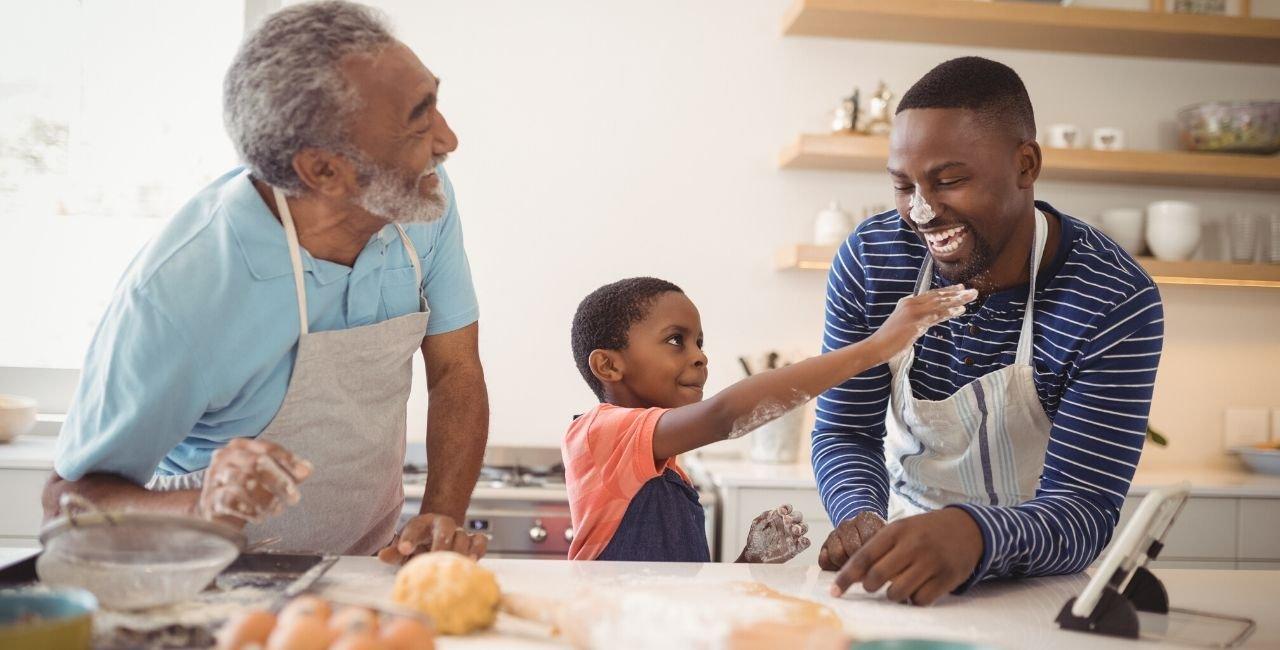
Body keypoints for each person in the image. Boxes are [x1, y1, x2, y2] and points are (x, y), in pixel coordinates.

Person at [44, 1, 489, 561]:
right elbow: (66, 500)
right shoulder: (179, 294)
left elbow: (455, 372)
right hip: (206, 585)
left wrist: (439, 517)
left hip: (355, 573)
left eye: (434, 102)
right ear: (324, 170)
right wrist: (203, 504)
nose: (448, 140)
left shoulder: (423, 199)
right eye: (419, 122)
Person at [812, 57, 1165, 604]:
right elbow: (845, 431)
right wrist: (860, 516)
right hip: (899, 565)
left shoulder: (1113, 298)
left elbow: (1084, 507)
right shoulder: (872, 261)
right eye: (904, 186)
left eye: (949, 181)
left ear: (1026, 164)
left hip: (1041, 583)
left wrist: (973, 535)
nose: (922, 212)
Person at [564, 277, 975, 562]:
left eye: (700, 342)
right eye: (676, 340)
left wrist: (749, 560)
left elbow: (684, 588)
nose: (700, 355)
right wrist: (876, 347)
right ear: (608, 365)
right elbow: (725, 416)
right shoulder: (599, 432)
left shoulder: (667, 466)